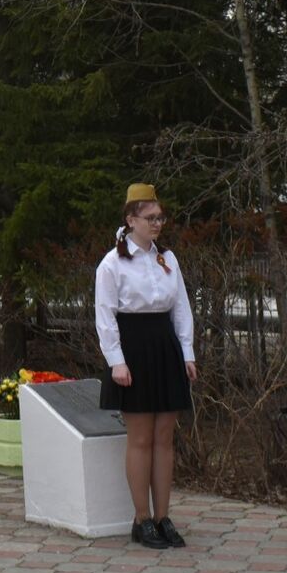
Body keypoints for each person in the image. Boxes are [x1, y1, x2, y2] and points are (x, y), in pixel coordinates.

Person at [96, 182, 197, 550]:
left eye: (160, 217)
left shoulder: (168, 259)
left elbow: (181, 307)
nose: (157, 224)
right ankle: (141, 520)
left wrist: (187, 353)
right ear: (131, 219)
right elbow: (105, 316)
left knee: (164, 439)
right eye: (150, 218)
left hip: (164, 347)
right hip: (133, 350)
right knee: (139, 438)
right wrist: (116, 362)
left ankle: (163, 517)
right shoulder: (112, 263)